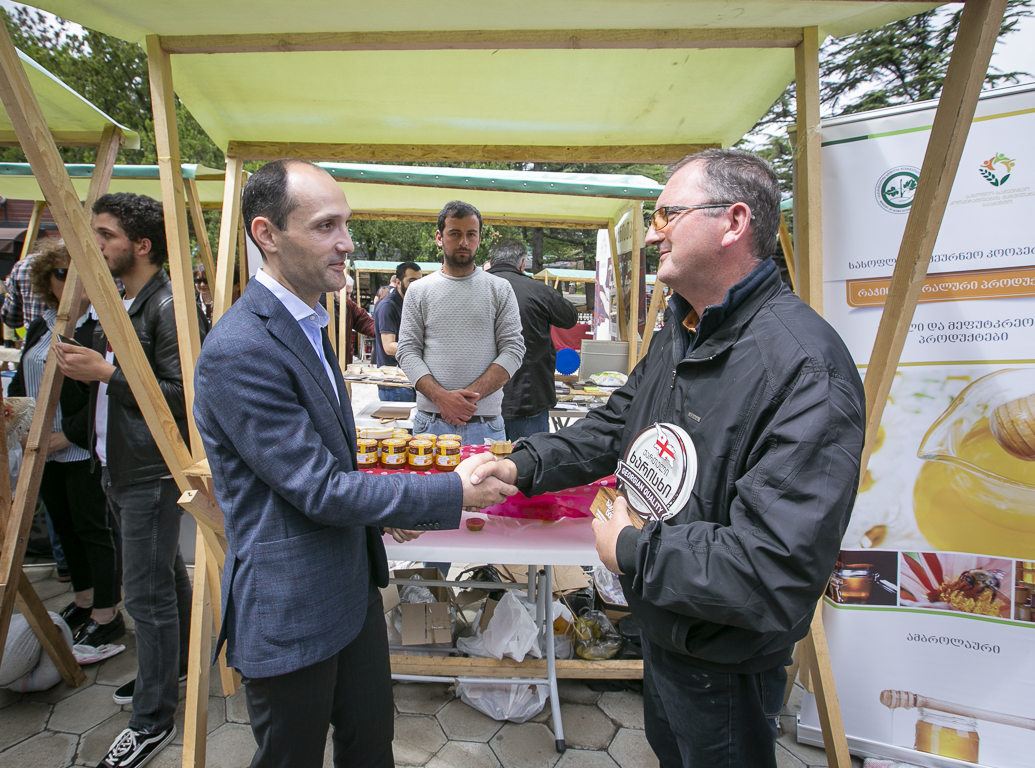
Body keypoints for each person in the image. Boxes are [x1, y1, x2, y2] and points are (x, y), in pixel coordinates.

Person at [472, 149, 866, 768]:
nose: (653, 234)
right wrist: (521, 464)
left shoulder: (805, 368)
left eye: (667, 215)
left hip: (722, 656)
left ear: (733, 222)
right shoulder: (684, 329)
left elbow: (773, 565)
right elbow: (616, 424)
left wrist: (631, 549)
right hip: (665, 623)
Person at [192, 159, 517, 768]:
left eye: (345, 224)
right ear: (266, 234)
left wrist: (384, 513)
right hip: (294, 602)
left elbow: (330, 463)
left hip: (351, 585)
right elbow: (318, 488)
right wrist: (448, 492)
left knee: (370, 744)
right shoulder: (241, 347)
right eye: (325, 226)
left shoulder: (307, 322)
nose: (346, 242)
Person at [55, 192, 200, 768]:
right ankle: (175, 669)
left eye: (105, 235)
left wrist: (105, 372)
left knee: (144, 593)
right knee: (165, 575)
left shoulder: (168, 305)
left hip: (150, 469)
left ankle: (152, 719)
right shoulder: (122, 302)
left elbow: (184, 398)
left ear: (141, 245)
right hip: (118, 463)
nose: (94, 245)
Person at [8, 239, 121, 647]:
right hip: (40, 447)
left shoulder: (101, 326)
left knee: (93, 527)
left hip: (79, 447)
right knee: (64, 525)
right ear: (47, 280)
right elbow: (24, 377)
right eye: (61, 272)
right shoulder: (42, 324)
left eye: (77, 272)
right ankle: (84, 597)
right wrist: (17, 416)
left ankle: (107, 612)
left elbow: (102, 393)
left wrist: (67, 434)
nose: (70, 281)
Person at [396, 201, 525, 445]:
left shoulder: (499, 289)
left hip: (485, 425)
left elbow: (514, 350)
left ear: (479, 238)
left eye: (471, 234)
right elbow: (407, 351)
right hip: (431, 423)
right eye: (455, 233)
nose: (464, 242)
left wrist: (465, 400)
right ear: (439, 237)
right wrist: (442, 398)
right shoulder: (419, 291)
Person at [488, 239, 578, 440]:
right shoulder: (538, 290)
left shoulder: (471, 288)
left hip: (479, 401)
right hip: (527, 398)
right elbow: (570, 317)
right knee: (528, 458)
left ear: (492, 261)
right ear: (522, 263)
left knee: (479, 459)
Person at [372, 261, 422, 401]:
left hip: (408, 379)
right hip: (395, 384)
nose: (417, 285)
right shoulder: (388, 306)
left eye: (419, 281)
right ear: (398, 282)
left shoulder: (408, 303)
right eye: (411, 281)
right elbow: (389, 347)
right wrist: (422, 349)